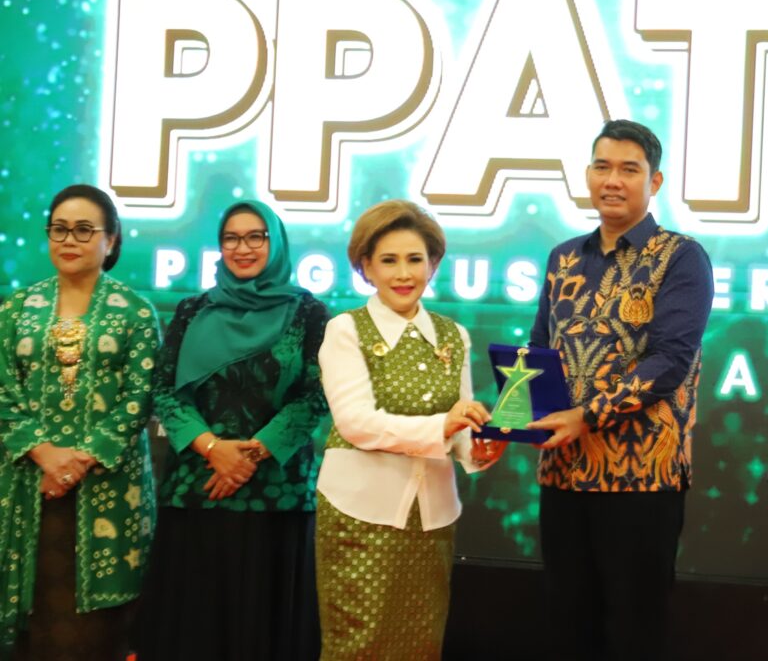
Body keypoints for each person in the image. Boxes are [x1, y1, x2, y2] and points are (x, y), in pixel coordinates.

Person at [527, 119, 714, 660]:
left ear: (654, 182)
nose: (613, 180)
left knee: (634, 630)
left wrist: (584, 416)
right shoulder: (564, 256)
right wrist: (514, 421)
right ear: (588, 174)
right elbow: (540, 350)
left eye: (629, 170)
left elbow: (669, 361)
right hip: (563, 474)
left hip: (641, 481)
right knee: (567, 624)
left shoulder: (681, 256)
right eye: (602, 167)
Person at [136, 201, 329, 661]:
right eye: (231, 238)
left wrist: (252, 453)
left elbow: (316, 394)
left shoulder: (308, 312)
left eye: (256, 236)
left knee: (267, 626)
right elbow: (163, 389)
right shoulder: (193, 310)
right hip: (198, 488)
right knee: (195, 624)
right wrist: (213, 448)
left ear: (275, 242)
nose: (243, 248)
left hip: (278, 493)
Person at [316, 199, 507, 660]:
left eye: (415, 259)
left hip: (433, 518)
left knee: (421, 644)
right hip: (359, 512)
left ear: (433, 264)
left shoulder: (453, 335)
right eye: (389, 260)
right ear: (365, 267)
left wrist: (476, 450)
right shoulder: (346, 330)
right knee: (358, 645)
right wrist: (443, 425)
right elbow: (355, 423)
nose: (403, 273)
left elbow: (458, 423)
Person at [0, 184, 158, 658]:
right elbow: (2, 388)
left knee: (92, 634)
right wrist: (44, 453)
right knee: (31, 621)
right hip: (27, 484)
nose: (70, 240)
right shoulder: (15, 309)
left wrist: (76, 463)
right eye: (60, 229)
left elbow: (139, 399)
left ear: (112, 240)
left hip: (107, 489)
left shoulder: (136, 312)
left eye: (85, 230)